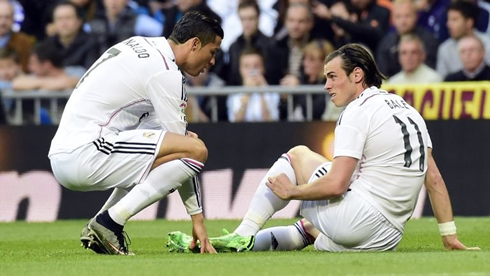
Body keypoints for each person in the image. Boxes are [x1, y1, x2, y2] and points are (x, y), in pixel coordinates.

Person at [167, 43, 480, 253]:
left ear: (357, 75)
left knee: (299, 155)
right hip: (387, 238)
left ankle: (244, 232)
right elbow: (434, 179)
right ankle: (226, 245)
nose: (327, 85)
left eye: (333, 77)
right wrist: (448, 235)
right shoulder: (408, 109)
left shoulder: (357, 111)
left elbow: (335, 185)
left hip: (358, 222)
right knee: (310, 227)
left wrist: (291, 192)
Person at [48, 11, 223, 255]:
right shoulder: (165, 71)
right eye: (212, 52)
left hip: (65, 152)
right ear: (194, 44)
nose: (212, 61)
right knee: (195, 148)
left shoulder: (140, 44)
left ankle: (100, 223)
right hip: (87, 151)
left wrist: (181, 141)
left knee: (177, 147)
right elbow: (189, 153)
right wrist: (197, 218)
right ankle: (109, 223)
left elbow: (171, 144)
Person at [376, 0, 439, 78]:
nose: (403, 21)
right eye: (398, 16)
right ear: (393, 19)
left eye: (407, 16)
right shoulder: (386, 44)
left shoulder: (429, 41)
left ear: (416, 16)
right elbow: (382, 75)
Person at [436, 1, 490, 78]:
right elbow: (441, 81)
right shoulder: (444, 49)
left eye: (454, 19)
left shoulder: (488, 43)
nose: (448, 24)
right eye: (448, 20)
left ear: (469, 22)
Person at [227, 47, 280, 122]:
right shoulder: (234, 94)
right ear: (240, 69)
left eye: (256, 66)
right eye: (247, 66)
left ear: (263, 68)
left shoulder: (273, 93)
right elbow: (235, 123)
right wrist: (247, 94)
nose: (252, 70)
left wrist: (263, 92)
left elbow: (270, 122)